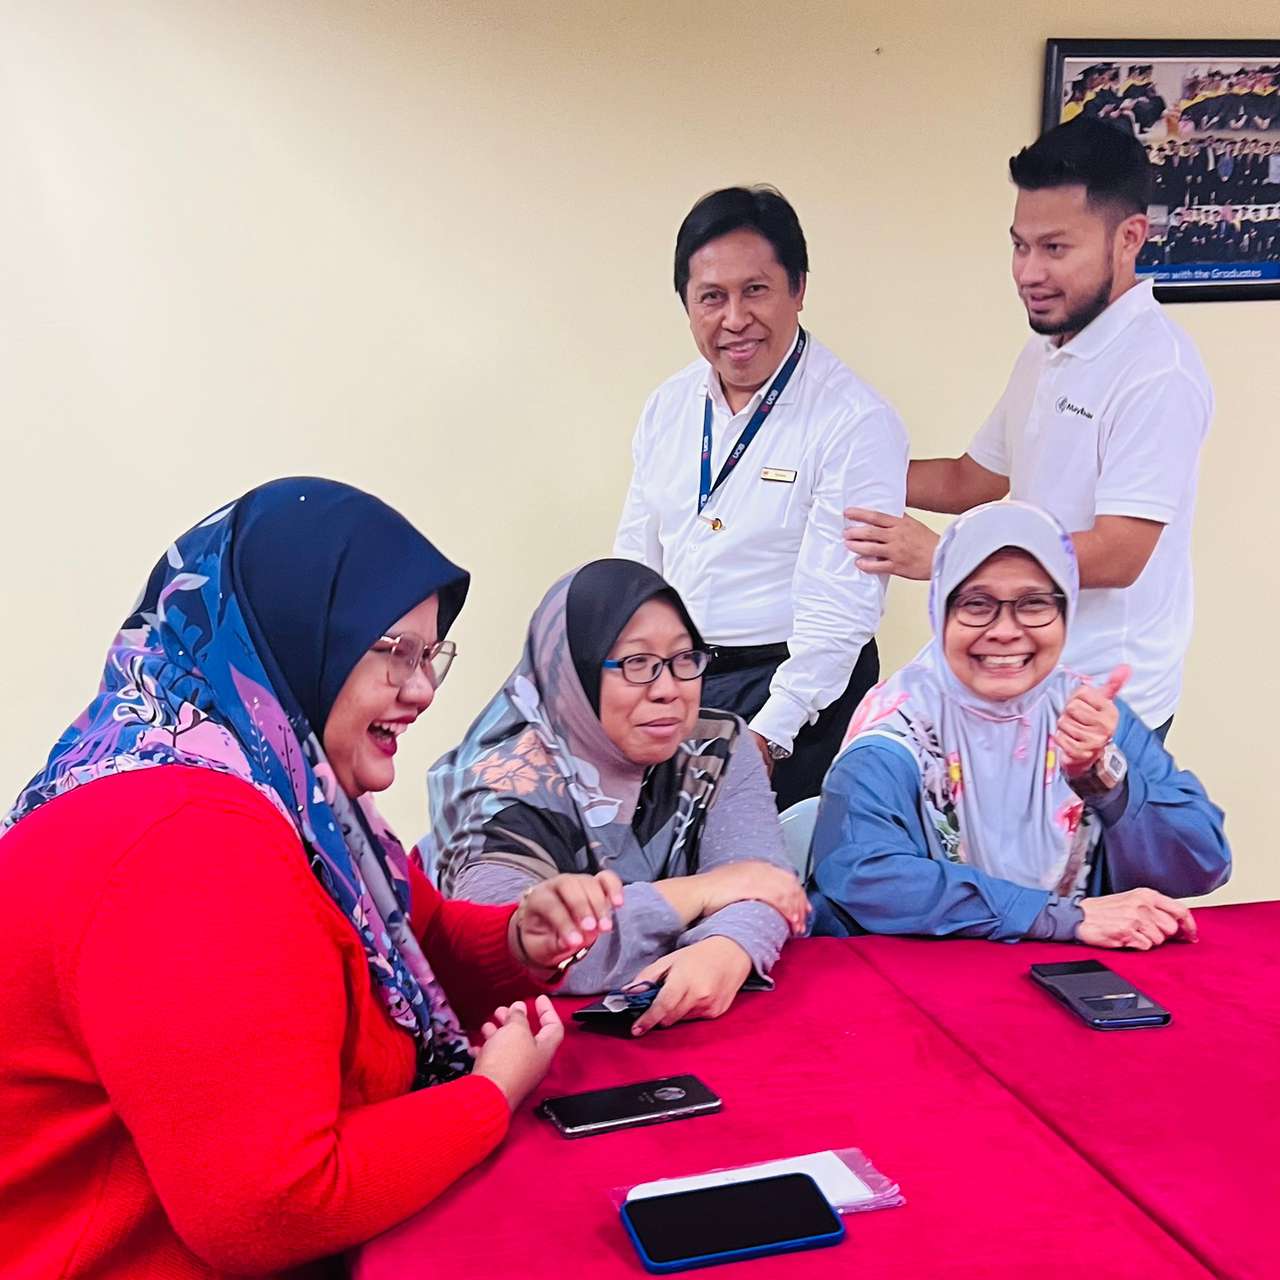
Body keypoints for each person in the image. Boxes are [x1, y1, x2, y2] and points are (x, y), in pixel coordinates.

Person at [0, 478, 622, 1280]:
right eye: (394, 652)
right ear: (295, 638)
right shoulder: (190, 841)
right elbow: (270, 1203)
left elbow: (413, 944)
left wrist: (516, 941)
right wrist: (488, 1097)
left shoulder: (284, 787)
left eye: (430, 653)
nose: (424, 689)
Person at [846, 119, 1213, 737]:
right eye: (1020, 246)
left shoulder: (1158, 371)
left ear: (1129, 238)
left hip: (1103, 702)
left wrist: (947, 559)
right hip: (1023, 675)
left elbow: (1120, 551)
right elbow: (972, 479)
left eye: (1055, 249)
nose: (1028, 273)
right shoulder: (1046, 349)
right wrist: (839, 470)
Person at [810, 501, 1230, 944]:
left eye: (1034, 604)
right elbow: (864, 878)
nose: (1006, 630)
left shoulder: (1087, 714)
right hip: (919, 973)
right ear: (940, 612)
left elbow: (1201, 864)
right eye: (976, 604)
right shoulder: (896, 732)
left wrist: (1104, 780)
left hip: (1066, 970)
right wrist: (1060, 917)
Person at [614, 185, 908, 809]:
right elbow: (637, 559)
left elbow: (840, 608)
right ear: (686, 304)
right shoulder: (668, 406)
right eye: (711, 297)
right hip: (683, 680)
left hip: (799, 695)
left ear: (798, 288)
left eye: (755, 290)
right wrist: (630, 677)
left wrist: (771, 733)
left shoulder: (855, 421)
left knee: (776, 861)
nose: (734, 319)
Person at [429, 559, 808, 1037]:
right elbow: (522, 947)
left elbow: (768, 884)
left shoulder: (715, 746)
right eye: (637, 664)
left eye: (684, 658)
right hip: (527, 1042)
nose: (669, 690)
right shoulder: (498, 789)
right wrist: (701, 892)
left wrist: (728, 947)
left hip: (673, 1031)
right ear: (571, 675)